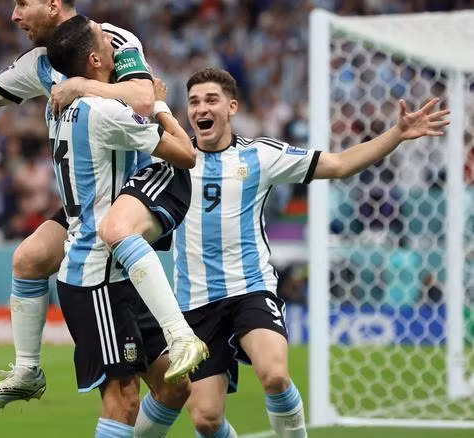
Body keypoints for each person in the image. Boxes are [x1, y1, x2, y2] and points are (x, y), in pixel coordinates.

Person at [0, 0, 204, 413]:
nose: (14, 16)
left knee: (113, 234)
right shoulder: (42, 63)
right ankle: (27, 369)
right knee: (30, 258)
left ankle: (178, 332)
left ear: (53, 4)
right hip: (92, 200)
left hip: (136, 187)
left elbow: (143, 96)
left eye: (22, 4)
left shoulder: (112, 41)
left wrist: (79, 86)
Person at [176, 68, 449, 438]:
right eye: (194, 101)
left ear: (231, 107)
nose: (201, 108)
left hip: (249, 289)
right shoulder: (173, 160)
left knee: (274, 375)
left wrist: (397, 134)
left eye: (211, 100)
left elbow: (338, 165)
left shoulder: (260, 155)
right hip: (195, 300)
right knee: (206, 419)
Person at [45, 14, 199, 438]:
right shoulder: (104, 111)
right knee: (124, 398)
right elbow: (186, 155)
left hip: (120, 269)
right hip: (95, 274)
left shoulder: (58, 100)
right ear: (96, 60)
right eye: (106, 42)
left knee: (173, 387)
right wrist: (164, 107)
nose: (116, 47)